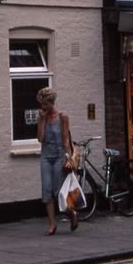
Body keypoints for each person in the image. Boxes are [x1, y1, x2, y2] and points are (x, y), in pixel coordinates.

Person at [36, 87, 77, 235]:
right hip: (46, 156)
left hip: (59, 156)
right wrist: (41, 119)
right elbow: (40, 138)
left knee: (58, 191)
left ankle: (71, 214)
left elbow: (65, 139)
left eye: (45, 104)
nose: (43, 107)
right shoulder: (43, 117)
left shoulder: (63, 117)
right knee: (46, 190)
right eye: (41, 104)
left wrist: (68, 158)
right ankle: (52, 224)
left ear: (52, 102)